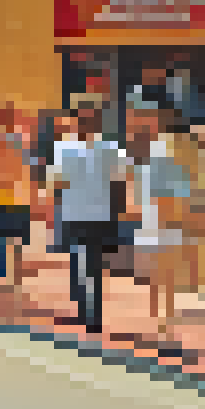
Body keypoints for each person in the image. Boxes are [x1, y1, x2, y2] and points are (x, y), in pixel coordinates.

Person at [47, 106, 131, 333]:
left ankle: (87, 312)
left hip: (77, 215)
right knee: (93, 267)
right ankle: (92, 316)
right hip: (98, 216)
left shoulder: (66, 149)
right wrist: (118, 211)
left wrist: (54, 211)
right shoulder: (110, 149)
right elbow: (120, 182)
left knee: (80, 264)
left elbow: (56, 184)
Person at [131, 107, 199, 344]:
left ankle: (160, 315)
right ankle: (163, 315)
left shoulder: (156, 158)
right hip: (162, 222)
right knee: (164, 273)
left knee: (158, 272)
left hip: (160, 222)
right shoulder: (163, 157)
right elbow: (173, 193)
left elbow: (156, 193)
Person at [0, 115, 35, 317]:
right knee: (13, 242)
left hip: (10, 200)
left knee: (8, 241)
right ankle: (13, 279)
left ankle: (10, 279)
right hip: (14, 200)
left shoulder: (2, 151)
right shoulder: (18, 152)